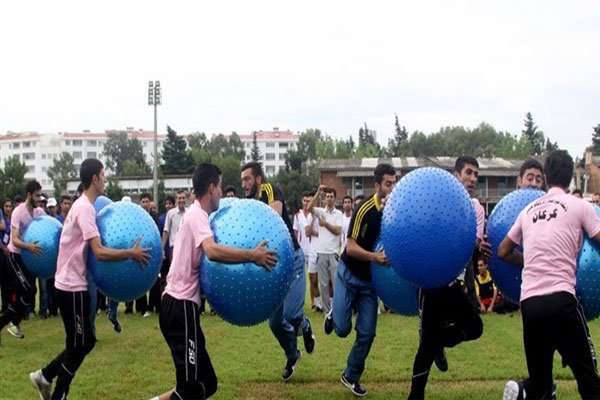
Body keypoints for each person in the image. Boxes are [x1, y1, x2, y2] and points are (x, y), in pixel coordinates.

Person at [149, 163, 276, 400]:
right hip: (180, 307)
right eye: (219, 187)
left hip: (183, 308)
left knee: (208, 383)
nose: (221, 193)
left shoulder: (198, 215)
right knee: (189, 389)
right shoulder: (196, 214)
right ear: (211, 188)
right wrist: (252, 255)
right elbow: (212, 251)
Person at [29, 158, 150, 400]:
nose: (106, 180)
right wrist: (131, 253)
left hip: (75, 285)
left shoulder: (85, 206)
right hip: (70, 287)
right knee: (80, 345)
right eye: (104, 175)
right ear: (94, 178)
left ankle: (45, 375)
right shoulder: (84, 208)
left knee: (84, 342)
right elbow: (100, 251)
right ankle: (56, 391)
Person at [499, 150, 600, 400]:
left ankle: (523, 391)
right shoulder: (580, 205)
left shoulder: (528, 210)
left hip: (530, 304)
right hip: (561, 300)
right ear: (570, 179)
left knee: (541, 384)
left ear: (545, 176)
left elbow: (503, 251)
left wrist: (530, 259)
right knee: (587, 376)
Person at [406, 156, 488, 400]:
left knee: (475, 327)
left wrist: (479, 248)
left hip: (455, 284)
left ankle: (439, 342)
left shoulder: (476, 208)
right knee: (426, 345)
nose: (473, 178)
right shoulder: (437, 201)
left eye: (476, 174)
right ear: (456, 174)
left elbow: (472, 245)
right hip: (431, 282)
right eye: (468, 173)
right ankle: (415, 395)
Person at [323, 163, 396, 396]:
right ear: (377, 185)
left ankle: (351, 375)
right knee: (343, 330)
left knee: (367, 333)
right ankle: (334, 313)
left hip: (370, 285)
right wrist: (374, 257)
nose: (392, 188)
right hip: (348, 275)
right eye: (388, 184)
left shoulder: (397, 212)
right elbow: (351, 247)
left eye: (395, 183)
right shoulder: (364, 209)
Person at [241, 161, 315, 381]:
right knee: (274, 322)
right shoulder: (246, 203)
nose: (244, 183)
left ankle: (305, 325)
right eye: (242, 179)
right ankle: (292, 354)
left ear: (257, 179)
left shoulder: (270, 190)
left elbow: (272, 222)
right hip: (271, 266)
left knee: (292, 315)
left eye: (247, 179)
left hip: (290, 259)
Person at [0, 180, 46, 341]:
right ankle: (13, 321)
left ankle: (8, 322)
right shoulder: (18, 212)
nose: (40, 198)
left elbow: (49, 229)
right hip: (15, 256)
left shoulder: (39, 213)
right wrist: (29, 247)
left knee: (29, 291)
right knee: (27, 289)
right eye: (37, 195)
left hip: (28, 258)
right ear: (29, 195)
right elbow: (14, 240)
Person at [307, 186, 342, 315]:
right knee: (323, 285)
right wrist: (317, 192)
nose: (329, 198)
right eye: (327, 196)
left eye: (331, 196)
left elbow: (338, 230)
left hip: (333, 253)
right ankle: (327, 312)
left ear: (335, 198)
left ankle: (337, 309)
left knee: (336, 283)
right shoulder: (321, 211)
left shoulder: (338, 214)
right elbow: (309, 208)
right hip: (321, 253)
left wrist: (325, 224)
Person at [293, 192, 321, 312]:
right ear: (301, 201)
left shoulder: (315, 214)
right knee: (300, 278)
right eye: (304, 200)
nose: (306, 203)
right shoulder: (297, 215)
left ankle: (315, 302)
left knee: (313, 278)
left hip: (313, 249)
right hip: (301, 250)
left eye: (308, 201)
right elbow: (295, 232)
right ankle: (309, 303)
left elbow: (313, 232)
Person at [0, 199, 13, 315]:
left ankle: (9, 306)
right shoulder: (2, 221)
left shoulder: (13, 221)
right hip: (2, 254)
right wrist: (4, 248)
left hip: (11, 255)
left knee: (9, 283)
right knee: (3, 281)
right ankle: (4, 307)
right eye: (6, 206)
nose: (8, 208)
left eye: (10, 206)